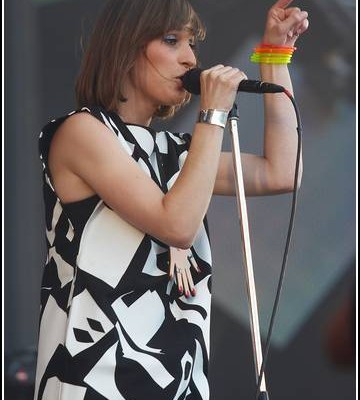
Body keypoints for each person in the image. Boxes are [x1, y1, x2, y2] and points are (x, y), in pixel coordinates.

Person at [34, 0, 309, 399]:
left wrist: (274, 55)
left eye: (193, 44)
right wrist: (213, 114)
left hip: (177, 381)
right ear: (125, 47)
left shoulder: (174, 152)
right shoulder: (82, 132)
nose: (190, 58)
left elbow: (282, 171)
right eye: (171, 40)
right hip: (96, 379)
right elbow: (176, 225)